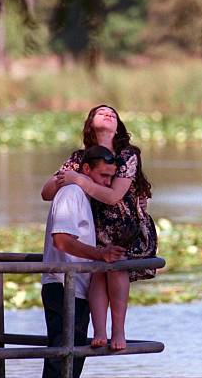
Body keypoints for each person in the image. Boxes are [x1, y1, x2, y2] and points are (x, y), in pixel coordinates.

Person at [41, 104, 158, 351]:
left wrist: (81, 180)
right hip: (97, 228)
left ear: (118, 127)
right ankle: (100, 331)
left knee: (115, 268)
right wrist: (69, 177)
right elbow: (46, 192)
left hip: (126, 228)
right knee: (97, 274)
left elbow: (114, 196)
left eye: (113, 114)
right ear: (90, 123)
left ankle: (118, 330)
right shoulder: (79, 159)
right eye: (101, 112)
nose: (108, 114)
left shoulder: (127, 155)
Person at [41, 146, 126, 378]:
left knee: (71, 361)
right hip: (63, 287)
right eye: (103, 175)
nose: (107, 183)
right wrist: (101, 254)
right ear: (85, 169)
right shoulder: (72, 193)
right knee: (62, 363)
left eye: (111, 177)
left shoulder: (83, 197)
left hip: (76, 289)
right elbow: (61, 240)